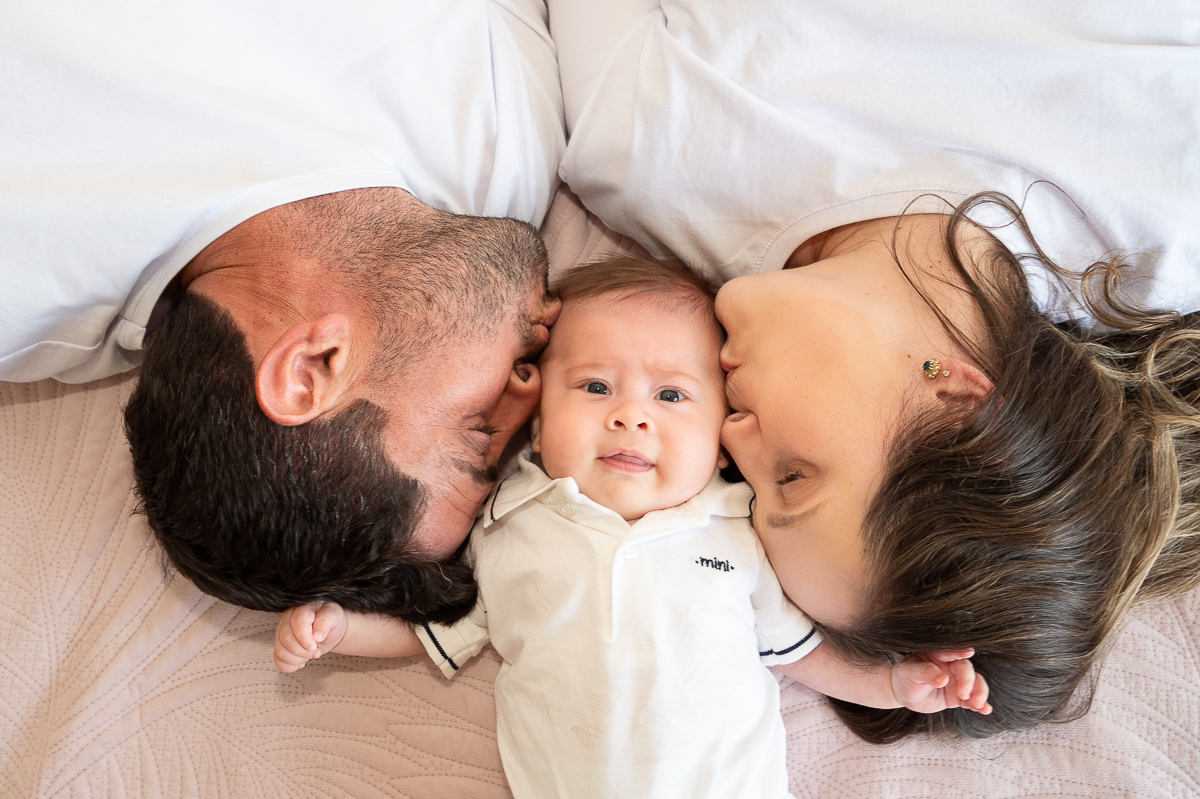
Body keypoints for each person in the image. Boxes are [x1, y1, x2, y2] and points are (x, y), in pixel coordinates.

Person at [550, 0, 1200, 740]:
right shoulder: (1167, 209)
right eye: (793, 474)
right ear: (956, 395)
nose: (733, 437)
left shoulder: (642, 142)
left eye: (752, 485)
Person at [273, 258, 992, 798]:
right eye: (594, 386)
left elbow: (800, 654)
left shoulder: (739, 530)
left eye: (671, 393)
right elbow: (441, 633)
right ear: (540, 410)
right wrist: (340, 629)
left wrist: (897, 684)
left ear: (722, 431)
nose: (631, 414)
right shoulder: (507, 524)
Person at [1, 0, 566, 622]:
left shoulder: (25, 279)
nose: (531, 391)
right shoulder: (503, 168)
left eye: (478, 431)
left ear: (311, 369)